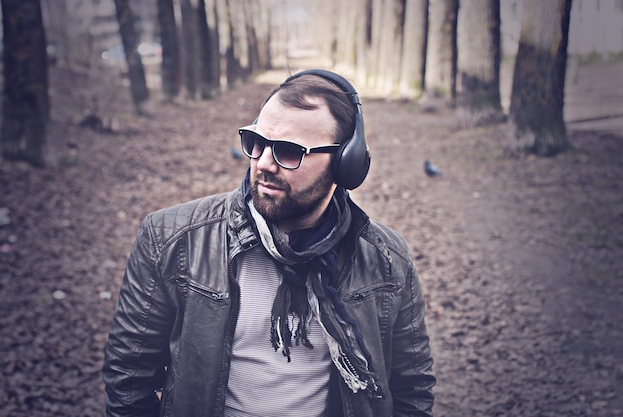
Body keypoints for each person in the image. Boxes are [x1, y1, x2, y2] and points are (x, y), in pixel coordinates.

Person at [102, 69, 436, 417]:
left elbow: (411, 390)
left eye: (289, 152)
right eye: (256, 142)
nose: (262, 163)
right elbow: (128, 376)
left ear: (344, 164)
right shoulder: (172, 240)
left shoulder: (386, 259)